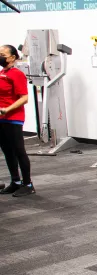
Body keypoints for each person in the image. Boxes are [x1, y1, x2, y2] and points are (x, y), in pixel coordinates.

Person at [0, 45, 33, 197]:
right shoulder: (2, 73)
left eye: (2, 54)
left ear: (12, 57)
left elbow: (24, 98)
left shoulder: (17, 74)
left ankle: (28, 184)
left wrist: (8, 109)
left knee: (19, 151)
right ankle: (16, 182)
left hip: (14, 118)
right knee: (7, 151)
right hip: (2, 118)